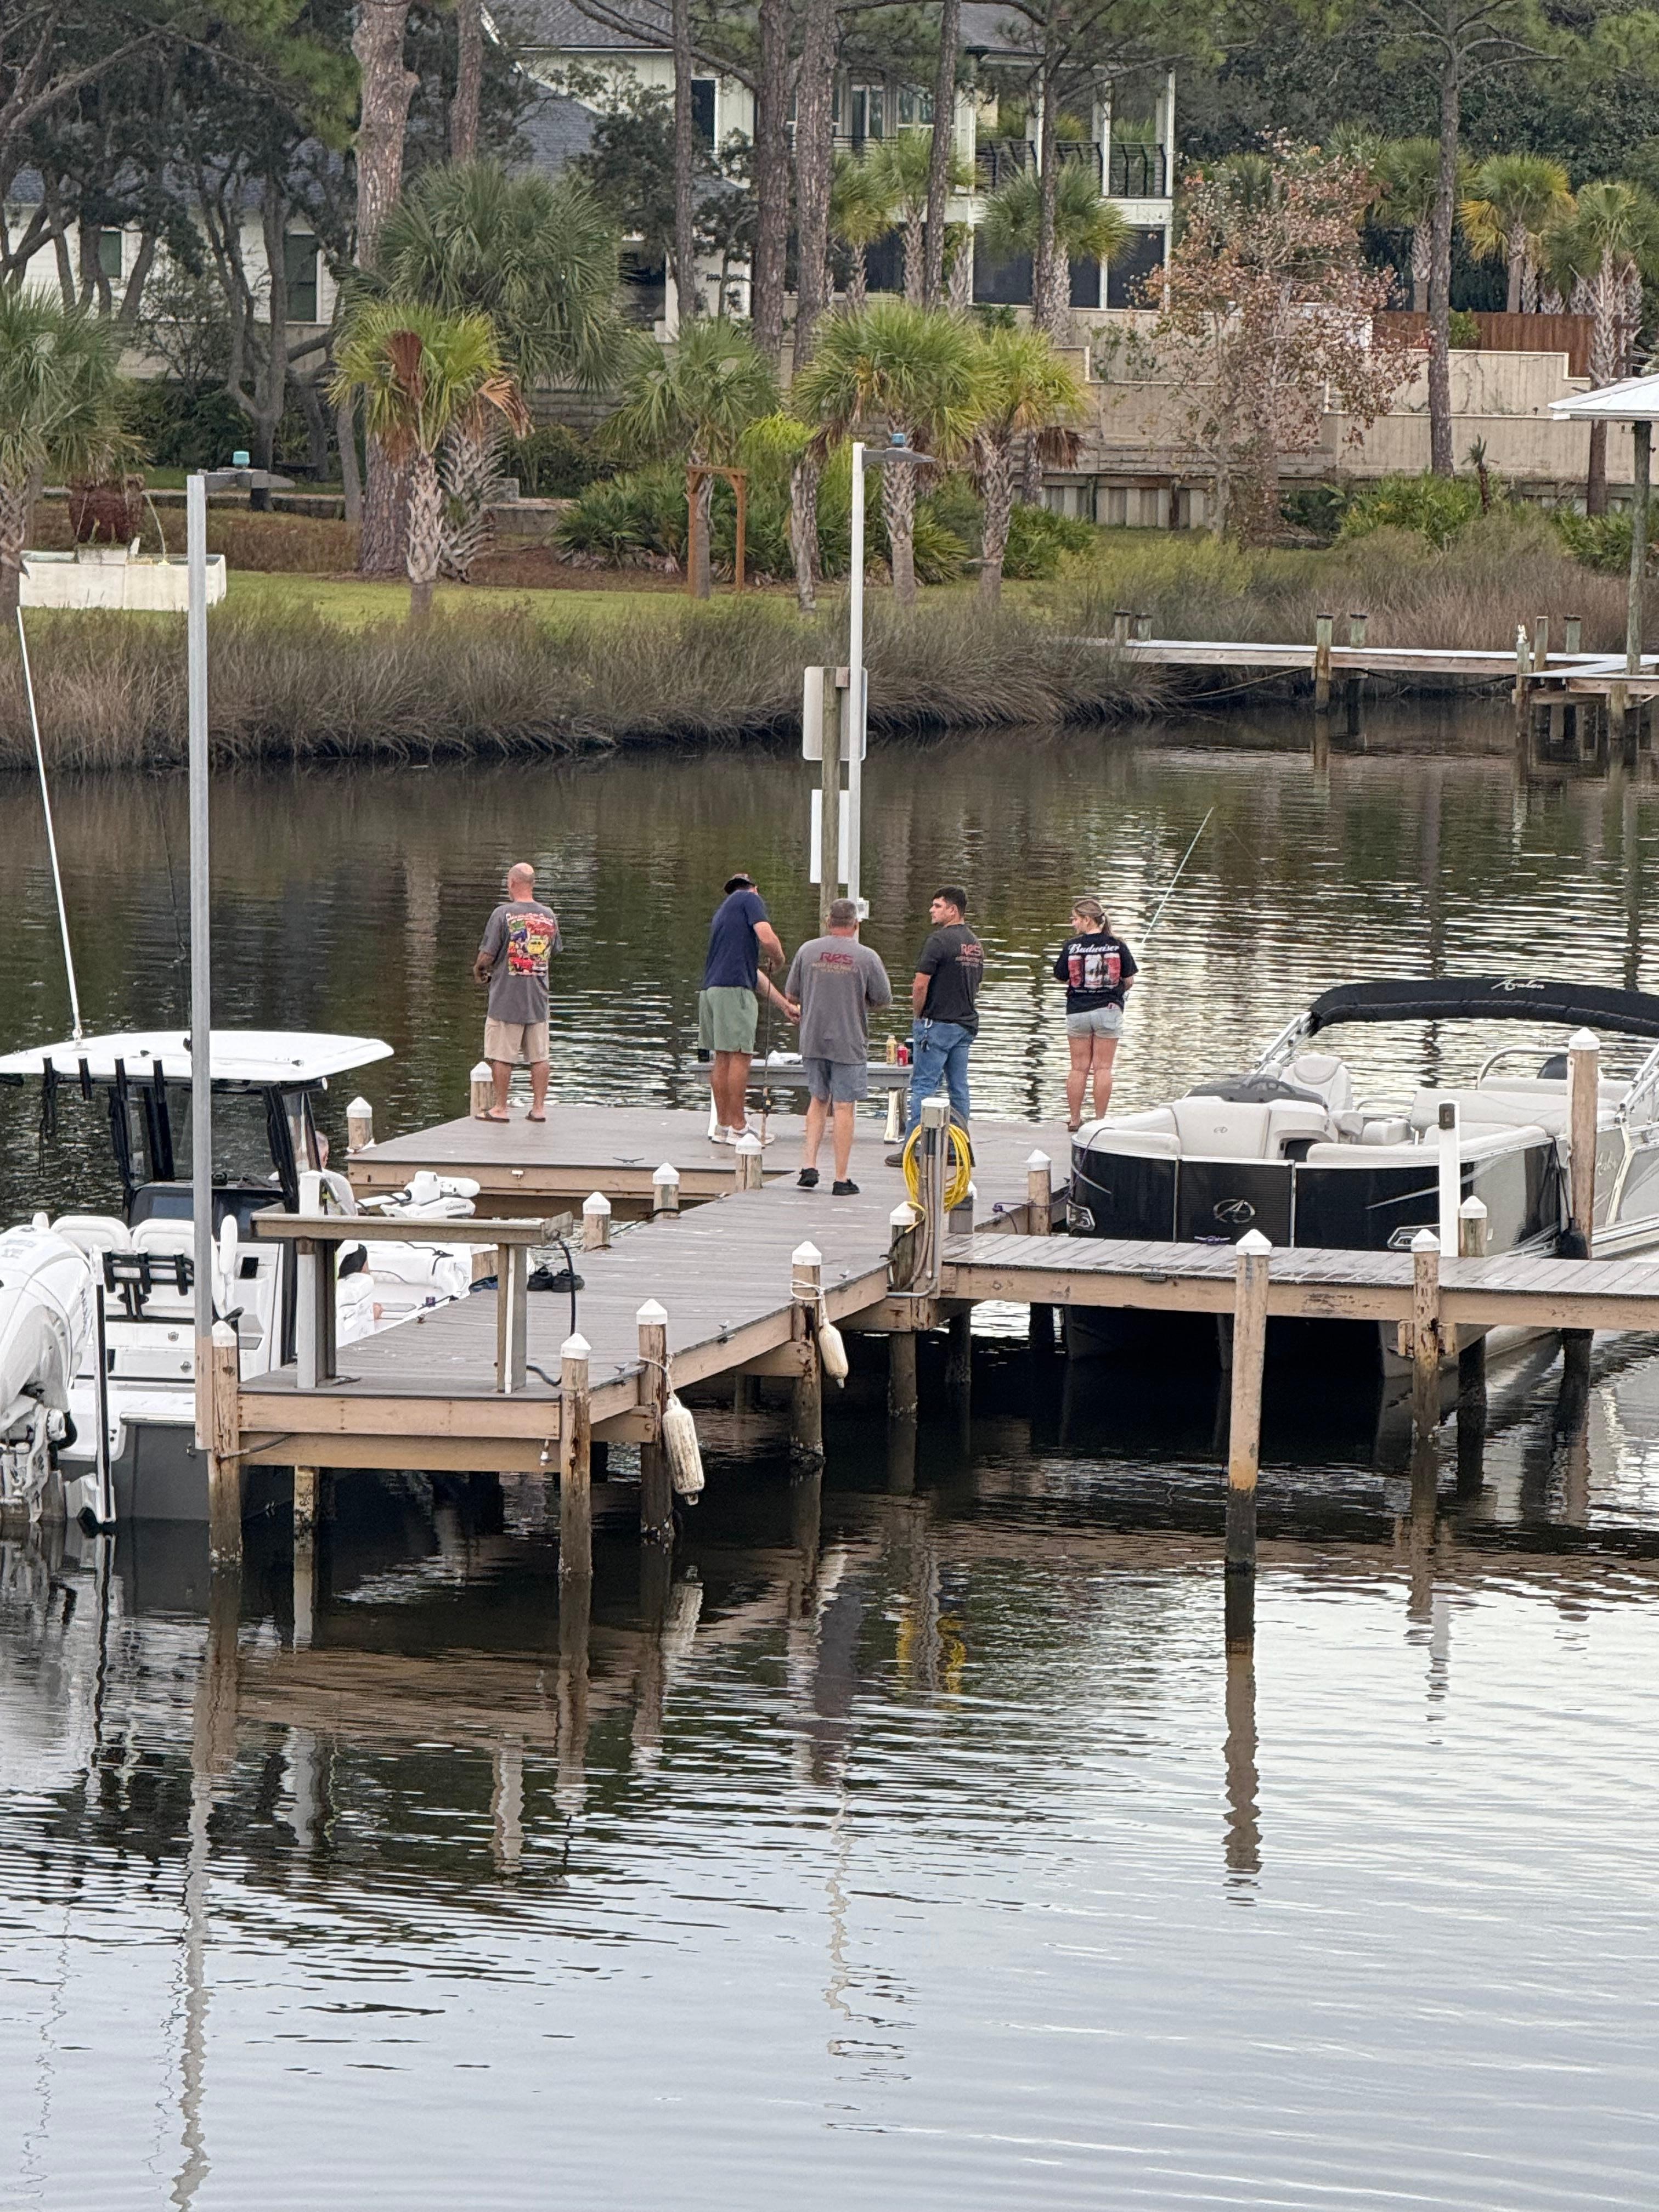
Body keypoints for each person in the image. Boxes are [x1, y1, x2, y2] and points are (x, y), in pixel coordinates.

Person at [785, 898, 893, 1195]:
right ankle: (841, 1179)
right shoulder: (867, 957)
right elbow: (883, 999)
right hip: (849, 1039)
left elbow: (792, 992)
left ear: (828, 922)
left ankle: (809, 1166)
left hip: (813, 1037)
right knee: (844, 1106)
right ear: (856, 925)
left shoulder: (807, 951)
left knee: (818, 1098)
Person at [890, 885, 984, 1163]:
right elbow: (975, 984)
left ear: (953, 910)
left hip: (938, 1023)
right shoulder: (975, 944)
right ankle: (959, 1148)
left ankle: (914, 1149)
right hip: (964, 1024)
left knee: (923, 1086)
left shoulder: (939, 941)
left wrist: (918, 1015)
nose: (932, 910)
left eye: (938, 905)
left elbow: (920, 984)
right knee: (959, 1088)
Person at [699, 872, 794, 1143]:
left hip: (711, 991)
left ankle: (723, 1126)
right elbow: (767, 937)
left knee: (723, 1058)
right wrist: (779, 958)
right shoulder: (750, 899)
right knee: (741, 1056)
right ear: (755, 889)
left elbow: (752, 974)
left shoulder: (723, 914)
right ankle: (740, 1127)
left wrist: (784, 1005)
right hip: (733, 993)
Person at [472, 862, 561, 1123]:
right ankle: (539, 1109)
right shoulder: (549, 916)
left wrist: (478, 968)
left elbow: (488, 954)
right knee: (540, 1056)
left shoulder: (503, 914)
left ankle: (500, 1108)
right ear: (532, 884)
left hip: (506, 999)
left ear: (512, 883)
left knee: (502, 1055)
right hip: (538, 998)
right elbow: (552, 951)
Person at [1053, 896, 1138, 1130]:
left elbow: (1061, 976)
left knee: (1078, 1067)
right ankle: (1100, 1121)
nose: (1073, 924)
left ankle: (1074, 1119)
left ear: (1088, 920)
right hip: (1108, 1011)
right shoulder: (1118, 945)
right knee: (1103, 1068)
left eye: (1076, 919)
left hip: (1078, 1011)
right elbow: (1129, 980)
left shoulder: (1071, 946)